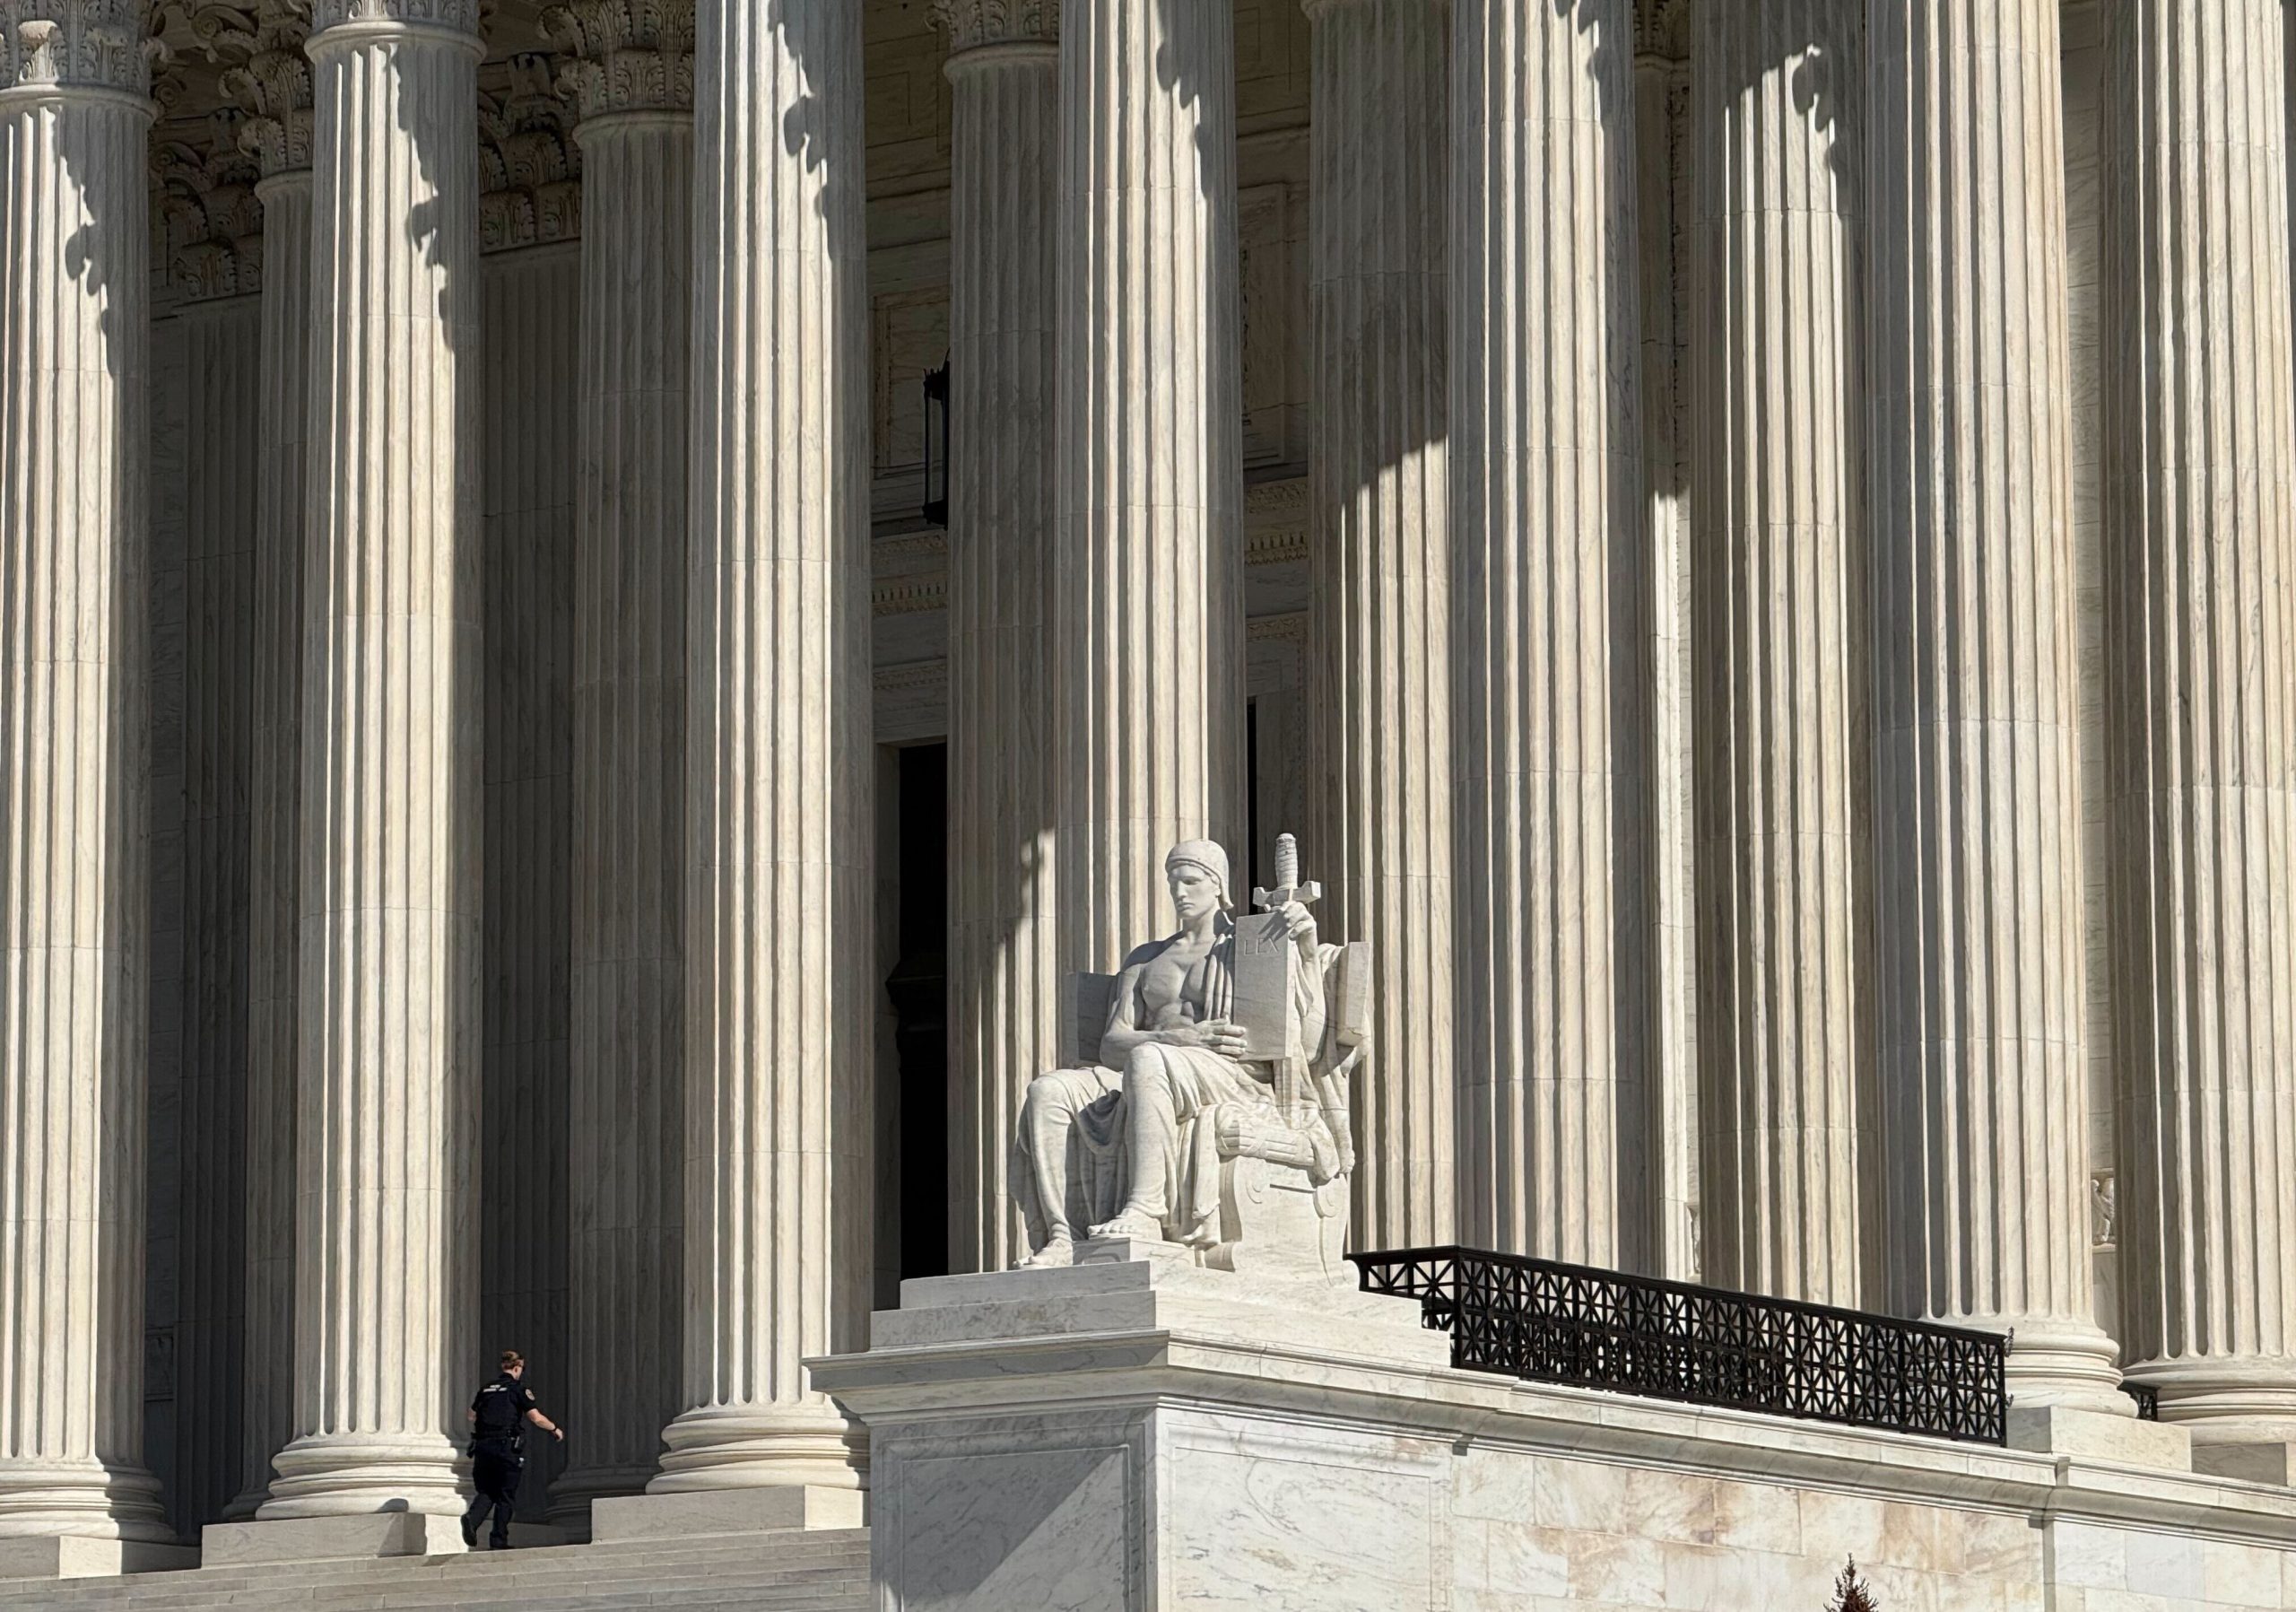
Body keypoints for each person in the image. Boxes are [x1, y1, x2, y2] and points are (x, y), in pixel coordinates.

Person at [460, 1349, 564, 1551]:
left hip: (482, 1447)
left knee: (486, 1490)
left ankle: (472, 1520)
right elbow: (536, 1418)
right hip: (505, 1447)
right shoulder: (518, 1389)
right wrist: (554, 1428)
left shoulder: (486, 1389)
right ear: (517, 1368)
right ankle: (498, 1540)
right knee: (505, 1495)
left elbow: (471, 1415)